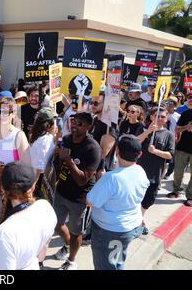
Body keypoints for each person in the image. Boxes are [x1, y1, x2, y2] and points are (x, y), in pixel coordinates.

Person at [87, 135, 148, 270]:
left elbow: (90, 201)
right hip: (129, 226)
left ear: (117, 152)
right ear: (140, 154)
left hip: (110, 230)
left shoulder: (111, 178)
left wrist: (100, 181)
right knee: (117, 261)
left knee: (107, 266)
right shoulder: (141, 171)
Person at [53, 112, 101, 270]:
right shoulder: (66, 139)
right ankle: (68, 246)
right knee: (56, 224)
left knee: (75, 232)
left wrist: (68, 159)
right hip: (61, 191)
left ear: (89, 127)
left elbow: (82, 180)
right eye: (73, 122)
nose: (74, 125)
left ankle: (72, 261)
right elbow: (58, 165)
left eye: (80, 124)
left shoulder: (93, 148)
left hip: (79, 198)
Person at [0, 162, 57, 270]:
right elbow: (41, 256)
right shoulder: (46, 207)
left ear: (3, 189)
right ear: (33, 188)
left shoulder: (4, 233)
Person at [136, 107, 174, 234]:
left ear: (166, 118)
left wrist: (156, 152)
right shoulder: (142, 128)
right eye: (157, 116)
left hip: (154, 174)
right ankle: (134, 221)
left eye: (163, 116)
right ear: (151, 116)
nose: (160, 119)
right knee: (135, 199)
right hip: (138, 172)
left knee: (147, 200)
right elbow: (135, 142)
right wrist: (148, 132)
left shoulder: (168, 135)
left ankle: (140, 219)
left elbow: (170, 155)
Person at [29, 107, 58, 200]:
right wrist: (32, 186)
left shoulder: (36, 135)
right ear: (48, 124)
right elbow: (38, 166)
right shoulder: (44, 140)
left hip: (33, 174)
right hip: (38, 178)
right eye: (53, 121)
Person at [168, 100, 192, 205]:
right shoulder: (186, 114)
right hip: (183, 148)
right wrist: (186, 127)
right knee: (178, 172)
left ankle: (190, 196)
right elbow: (177, 129)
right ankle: (177, 190)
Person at [89, 93, 118, 176]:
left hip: (101, 172)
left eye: (96, 103)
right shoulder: (95, 119)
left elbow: (102, 154)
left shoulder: (110, 125)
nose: (92, 105)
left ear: (106, 105)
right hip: (91, 168)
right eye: (91, 102)